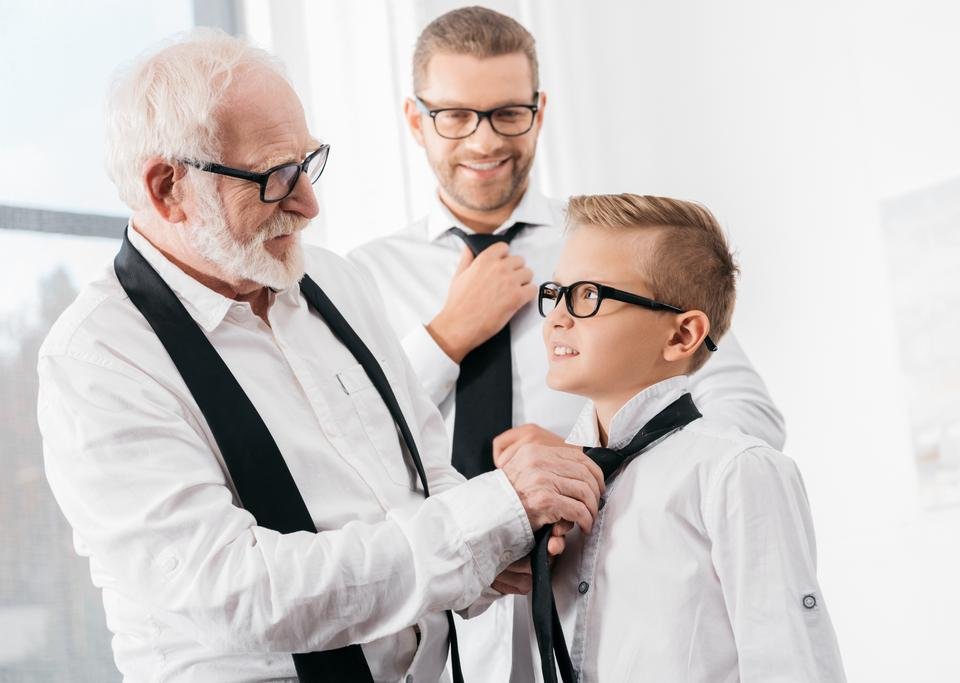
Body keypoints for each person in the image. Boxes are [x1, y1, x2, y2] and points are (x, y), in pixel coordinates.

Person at [36, 29, 605, 682]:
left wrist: (494, 550)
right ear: (167, 187)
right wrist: (489, 516)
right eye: (276, 178)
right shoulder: (99, 363)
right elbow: (245, 594)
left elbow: (422, 476)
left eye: (308, 164)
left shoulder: (334, 281)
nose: (309, 204)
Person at [347, 7, 787, 681]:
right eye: (456, 115)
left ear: (540, 110)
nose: (484, 139)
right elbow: (346, 450)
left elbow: (743, 416)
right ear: (417, 120)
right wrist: (445, 337)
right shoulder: (364, 278)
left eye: (507, 113)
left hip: (596, 607)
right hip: (436, 632)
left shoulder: (606, 247)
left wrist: (593, 466)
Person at [501, 193, 845, 681]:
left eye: (588, 296)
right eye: (555, 293)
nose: (557, 316)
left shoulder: (735, 472)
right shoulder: (546, 492)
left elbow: (791, 662)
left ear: (682, 336)